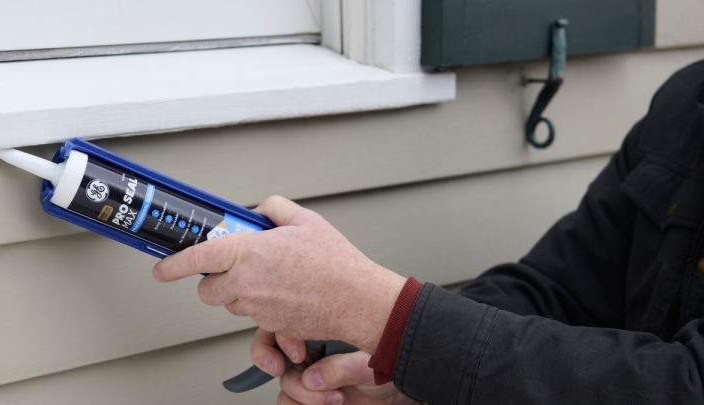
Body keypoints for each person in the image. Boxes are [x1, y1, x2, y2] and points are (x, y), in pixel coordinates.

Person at [152, 60, 704, 404]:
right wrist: (403, 365)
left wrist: (379, 313)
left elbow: (686, 384)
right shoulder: (687, 105)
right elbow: (557, 290)